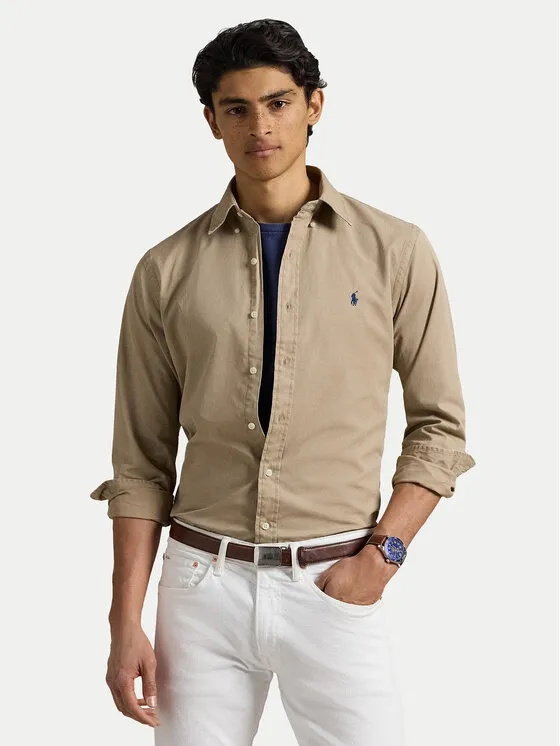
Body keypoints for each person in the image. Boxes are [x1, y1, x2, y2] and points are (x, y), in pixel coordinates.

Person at [90, 18, 475, 746]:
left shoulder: (395, 251)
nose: (259, 127)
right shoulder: (165, 270)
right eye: (236, 108)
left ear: (314, 105)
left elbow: (440, 428)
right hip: (200, 588)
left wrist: (381, 559)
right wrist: (124, 622)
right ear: (212, 121)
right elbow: (139, 464)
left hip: (335, 583)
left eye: (277, 103)